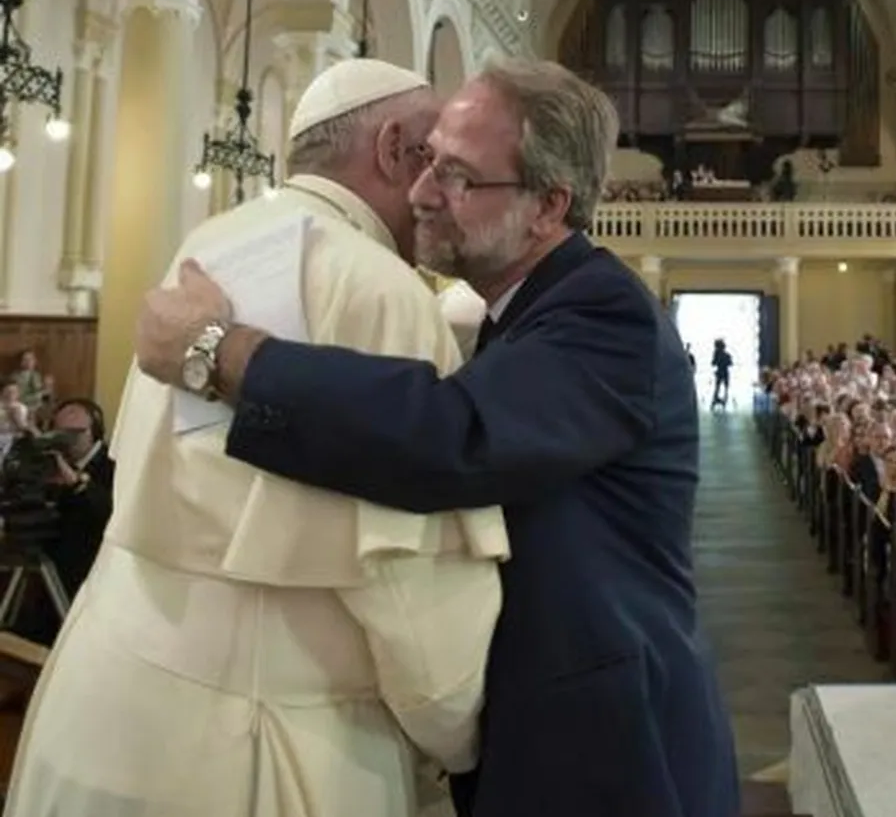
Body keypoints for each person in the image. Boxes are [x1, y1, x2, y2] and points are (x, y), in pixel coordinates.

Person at [131, 58, 739, 817]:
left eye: (457, 176)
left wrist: (222, 353)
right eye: (428, 163)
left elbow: (453, 436)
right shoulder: (524, 310)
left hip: (611, 743)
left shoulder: (603, 314)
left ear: (547, 206)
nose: (420, 193)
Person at [5, 60, 509, 817]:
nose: (441, 190)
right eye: (433, 158)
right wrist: (462, 735)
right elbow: (406, 582)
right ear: (390, 148)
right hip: (268, 741)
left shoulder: (203, 245)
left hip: (103, 700)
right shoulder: (382, 288)